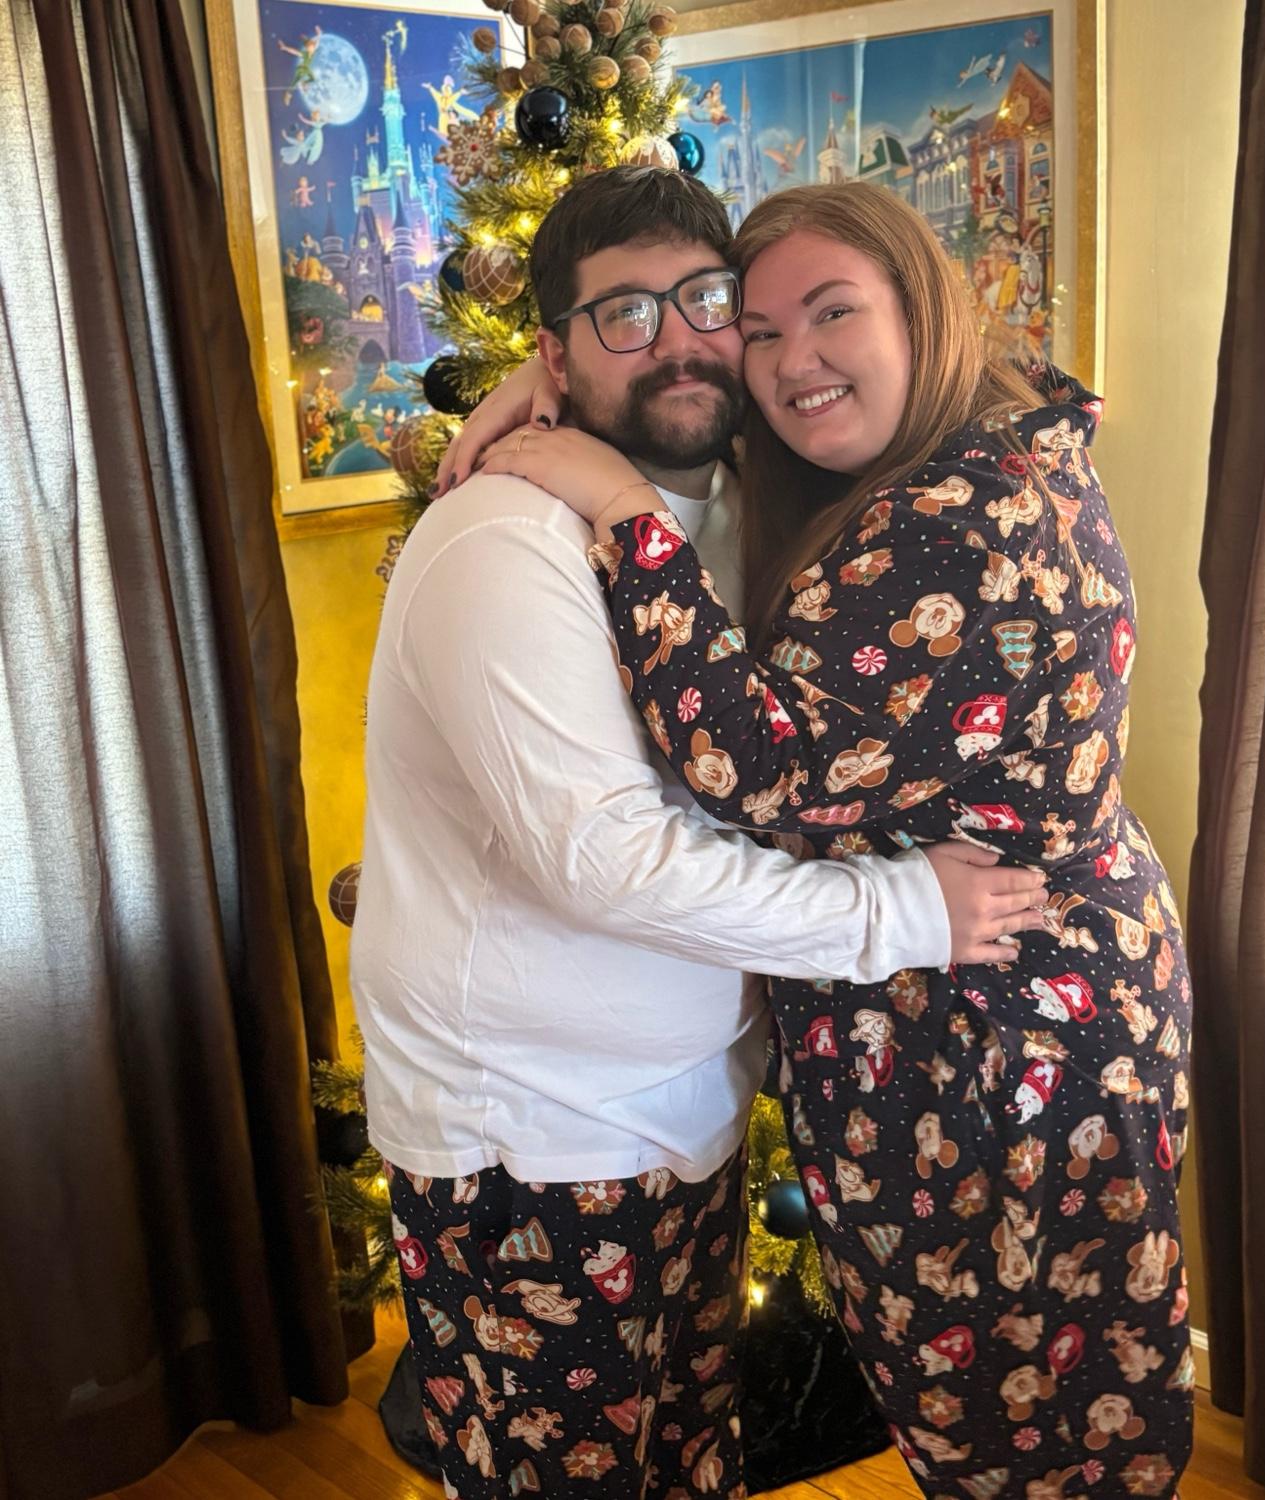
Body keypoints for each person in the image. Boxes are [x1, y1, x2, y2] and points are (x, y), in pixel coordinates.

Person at [467, 178, 1196, 1495]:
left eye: (833, 312)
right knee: (1037, 1411)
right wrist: (558, 373)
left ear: (918, 309)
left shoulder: (964, 520)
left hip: (998, 1053)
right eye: (758, 329)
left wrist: (622, 506)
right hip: (1020, 1012)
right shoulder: (985, 436)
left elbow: (757, 767)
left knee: (1029, 1437)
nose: (792, 359)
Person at [351, 168, 1047, 1500]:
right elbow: (606, 861)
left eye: (707, 302)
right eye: (624, 314)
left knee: (686, 1465)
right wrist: (905, 911)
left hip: (682, 1116)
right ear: (557, 351)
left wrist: (562, 388)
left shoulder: (731, 497)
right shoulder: (505, 541)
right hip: (536, 1143)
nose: (678, 340)